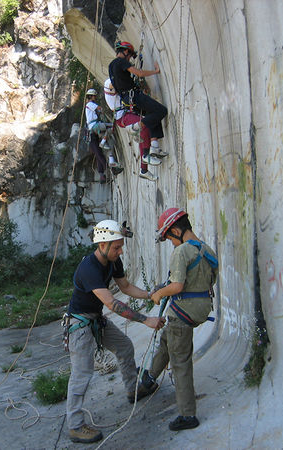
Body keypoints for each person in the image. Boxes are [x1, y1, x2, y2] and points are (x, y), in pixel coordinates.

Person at [64, 219, 166, 444]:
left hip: (95, 320)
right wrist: (146, 319)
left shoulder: (113, 261)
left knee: (124, 346)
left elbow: (126, 287)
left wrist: (150, 295)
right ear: (102, 245)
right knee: (81, 373)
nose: (120, 251)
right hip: (80, 324)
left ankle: (132, 390)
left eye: (121, 246)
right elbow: (113, 304)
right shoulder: (88, 268)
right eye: (117, 247)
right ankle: (75, 426)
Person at [143, 208, 219, 431]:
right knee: (168, 341)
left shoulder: (181, 252)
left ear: (176, 230)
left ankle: (187, 415)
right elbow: (209, 280)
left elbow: (176, 286)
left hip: (181, 314)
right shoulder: (207, 249)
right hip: (201, 308)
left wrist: (158, 294)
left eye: (169, 238)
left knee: (180, 362)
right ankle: (149, 378)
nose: (170, 243)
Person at [108, 41, 168, 168]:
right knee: (161, 111)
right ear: (125, 51)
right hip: (134, 96)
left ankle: (155, 147)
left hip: (127, 100)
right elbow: (139, 73)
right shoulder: (121, 62)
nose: (130, 58)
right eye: (129, 55)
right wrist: (155, 71)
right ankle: (136, 127)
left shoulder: (111, 66)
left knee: (152, 113)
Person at [85, 89, 123, 184]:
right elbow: (99, 108)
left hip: (94, 128)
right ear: (91, 96)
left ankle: (110, 159)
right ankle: (103, 143)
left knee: (107, 144)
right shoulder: (90, 104)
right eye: (94, 96)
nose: (95, 97)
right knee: (111, 126)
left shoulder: (88, 106)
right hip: (95, 126)